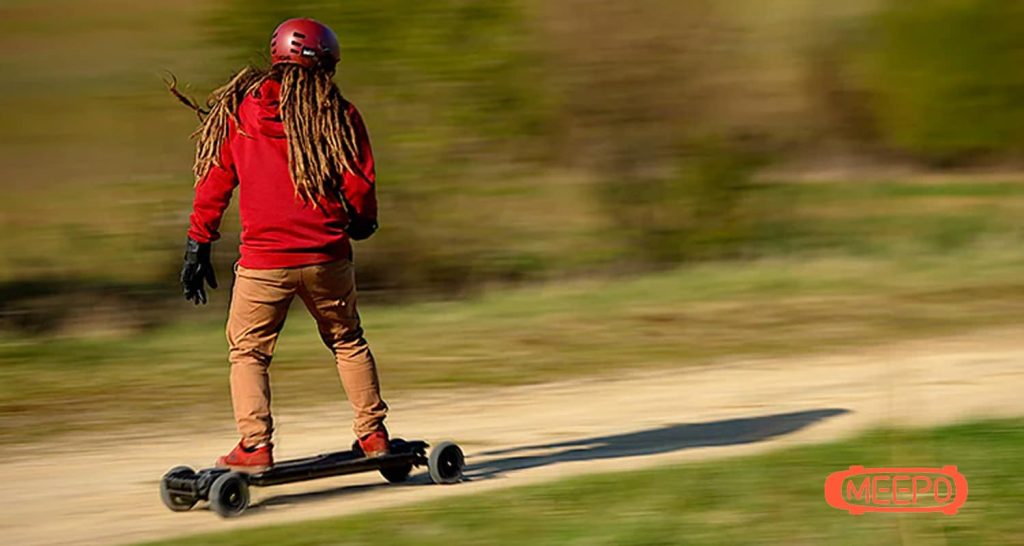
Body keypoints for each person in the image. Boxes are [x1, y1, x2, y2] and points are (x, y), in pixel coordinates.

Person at [171, 18, 388, 471]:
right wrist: (363, 220)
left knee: (248, 351)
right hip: (327, 256)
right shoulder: (339, 113)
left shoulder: (240, 111)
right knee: (347, 339)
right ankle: (372, 435)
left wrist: (198, 241)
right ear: (327, 63)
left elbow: (215, 182)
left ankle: (254, 446)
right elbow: (358, 181)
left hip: (264, 263)